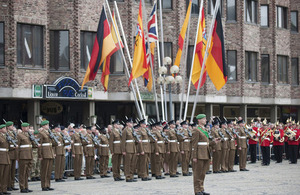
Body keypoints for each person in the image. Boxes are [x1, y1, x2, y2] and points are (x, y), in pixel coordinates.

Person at [192, 114, 215, 195]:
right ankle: (197, 190)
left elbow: (207, 142)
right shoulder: (196, 130)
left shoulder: (204, 129)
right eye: (204, 119)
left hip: (206, 152)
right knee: (197, 173)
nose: (205, 120)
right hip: (199, 154)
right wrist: (194, 156)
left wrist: (214, 142)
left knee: (203, 173)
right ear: (199, 120)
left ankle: (201, 189)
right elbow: (194, 144)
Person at [17, 122, 35, 193]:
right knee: (22, 172)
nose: (27, 128)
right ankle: (22, 187)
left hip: (29, 155)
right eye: (26, 127)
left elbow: (34, 145)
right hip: (23, 156)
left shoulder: (29, 135)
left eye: (28, 127)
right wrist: (17, 157)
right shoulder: (19, 135)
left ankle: (26, 186)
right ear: (22, 128)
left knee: (27, 172)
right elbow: (17, 147)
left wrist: (33, 139)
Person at [38, 120, 56, 191]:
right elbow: (40, 145)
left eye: (48, 125)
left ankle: (48, 185)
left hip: (50, 152)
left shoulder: (50, 133)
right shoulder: (41, 133)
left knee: (49, 171)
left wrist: (53, 138)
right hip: (45, 153)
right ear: (43, 126)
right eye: (46, 125)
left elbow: (54, 144)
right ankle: (44, 186)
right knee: (44, 170)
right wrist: (40, 155)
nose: (48, 126)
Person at [121, 118, 138, 182]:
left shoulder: (132, 130)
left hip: (133, 148)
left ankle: (131, 176)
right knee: (128, 163)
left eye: (132, 123)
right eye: (130, 123)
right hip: (128, 148)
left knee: (132, 163)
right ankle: (128, 177)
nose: (131, 124)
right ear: (127, 123)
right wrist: (123, 150)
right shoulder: (125, 130)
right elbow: (123, 141)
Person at [6, 121, 18, 191]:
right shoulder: (7, 134)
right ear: (8, 127)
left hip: (14, 154)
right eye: (11, 126)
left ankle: (12, 184)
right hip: (10, 154)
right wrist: (13, 146)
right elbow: (9, 144)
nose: (12, 127)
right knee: (9, 171)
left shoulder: (13, 133)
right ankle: (8, 185)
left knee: (13, 171)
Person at [0, 124, 11, 195]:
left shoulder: (6, 136)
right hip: (1, 156)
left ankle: (4, 189)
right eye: (4, 128)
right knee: (0, 174)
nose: (5, 130)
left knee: (5, 175)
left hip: (6, 156)